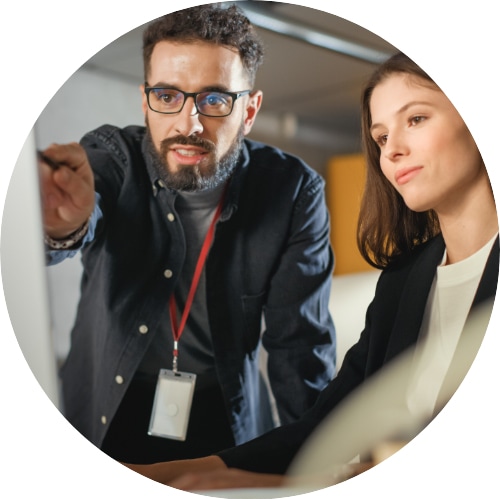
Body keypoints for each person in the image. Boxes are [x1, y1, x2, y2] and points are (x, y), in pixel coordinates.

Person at [123, 51, 499, 491]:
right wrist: (165, 476)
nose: (393, 149)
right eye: (380, 137)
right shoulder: (401, 283)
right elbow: (325, 427)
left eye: (415, 119)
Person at [38, 4, 336, 464]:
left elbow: (300, 347)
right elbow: (79, 218)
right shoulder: (111, 156)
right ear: (145, 100)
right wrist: (62, 226)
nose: (188, 124)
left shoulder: (293, 192)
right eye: (168, 96)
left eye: (214, 100)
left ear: (250, 111)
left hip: (225, 415)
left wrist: (318, 461)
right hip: (105, 410)